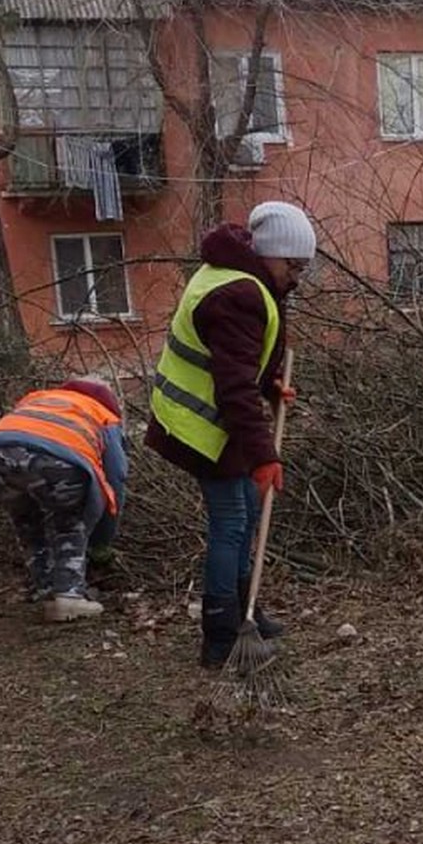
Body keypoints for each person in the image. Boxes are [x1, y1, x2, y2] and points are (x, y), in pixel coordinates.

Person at [147, 200, 315, 667]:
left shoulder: (239, 276)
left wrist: (271, 385)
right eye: (294, 265)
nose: (297, 277)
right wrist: (264, 455)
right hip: (199, 423)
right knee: (233, 521)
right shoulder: (238, 294)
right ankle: (221, 636)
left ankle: (246, 609)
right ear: (270, 255)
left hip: (214, 416)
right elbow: (233, 385)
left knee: (241, 512)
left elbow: (239, 363)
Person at [0, 375, 128, 622]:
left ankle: (48, 592)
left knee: (28, 523)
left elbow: (16, 433)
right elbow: (116, 476)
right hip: (56, 462)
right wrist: (102, 540)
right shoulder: (104, 414)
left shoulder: (38, 398)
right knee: (69, 523)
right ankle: (69, 597)